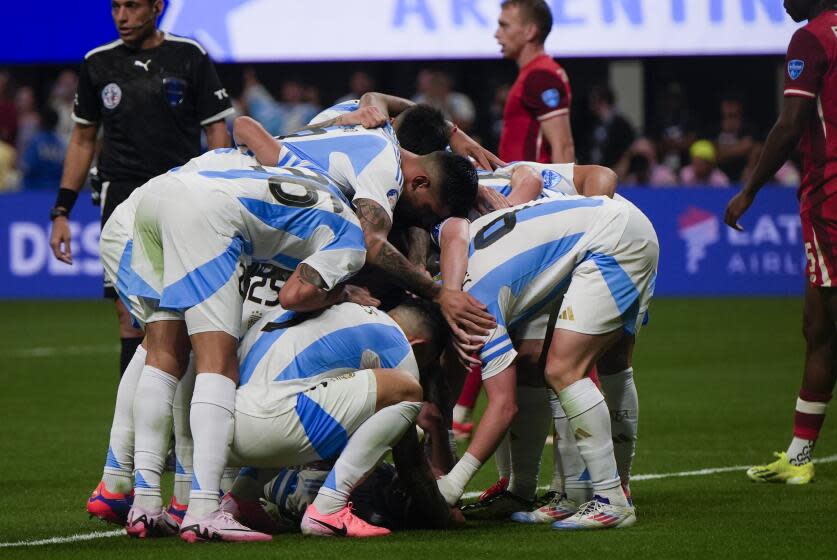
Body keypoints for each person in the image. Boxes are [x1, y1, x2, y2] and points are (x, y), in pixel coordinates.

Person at [434, 192, 658, 530]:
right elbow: (452, 227)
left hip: (613, 239)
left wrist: (453, 484)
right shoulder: (452, 262)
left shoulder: (475, 307)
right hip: (603, 228)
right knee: (538, 365)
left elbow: (504, 405)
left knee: (564, 369)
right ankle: (576, 495)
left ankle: (612, 500)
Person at [48, 0, 233, 378]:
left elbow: (215, 129)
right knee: (129, 316)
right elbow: (83, 139)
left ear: (157, 7)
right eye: (115, 6)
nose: (121, 16)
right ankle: (134, 428)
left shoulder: (189, 56)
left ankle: (181, 420)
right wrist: (61, 210)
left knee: (186, 315)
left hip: (183, 192)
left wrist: (223, 191)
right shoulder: (98, 63)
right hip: (121, 199)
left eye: (132, 6)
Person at [726, 0, 837, 485]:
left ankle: (799, 456)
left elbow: (791, 123)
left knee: (826, 324)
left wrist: (749, 189)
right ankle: (798, 455)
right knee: (819, 326)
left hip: (831, 197)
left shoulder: (812, 37)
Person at [495, 0, 574, 164]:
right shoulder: (533, 73)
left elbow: (563, 146)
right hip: (521, 184)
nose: (497, 34)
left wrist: (563, 190)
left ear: (530, 31)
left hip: (535, 187)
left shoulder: (541, 76)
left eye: (505, 26)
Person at [20, 107, 66, 190]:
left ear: (41, 121)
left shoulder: (35, 142)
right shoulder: (61, 144)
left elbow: (27, 167)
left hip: (33, 190)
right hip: (55, 190)